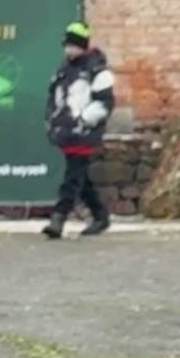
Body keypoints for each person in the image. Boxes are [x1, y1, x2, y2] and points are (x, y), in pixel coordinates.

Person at [42, 21, 115, 239]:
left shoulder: (97, 71)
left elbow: (104, 103)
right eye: (67, 46)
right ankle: (100, 216)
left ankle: (58, 217)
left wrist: (83, 120)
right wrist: (53, 122)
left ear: (83, 46)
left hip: (84, 132)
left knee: (72, 177)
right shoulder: (64, 70)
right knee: (80, 178)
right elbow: (55, 98)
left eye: (73, 46)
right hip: (66, 132)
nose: (68, 50)